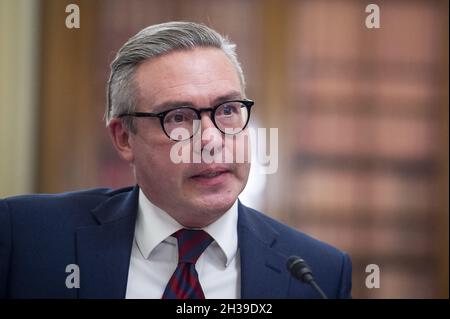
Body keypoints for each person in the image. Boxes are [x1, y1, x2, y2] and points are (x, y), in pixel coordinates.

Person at [0, 21, 351, 299]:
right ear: (124, 138)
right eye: (179, 117)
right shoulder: (26, 238)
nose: (211, 140)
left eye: (228, 110)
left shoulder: (318, 274)